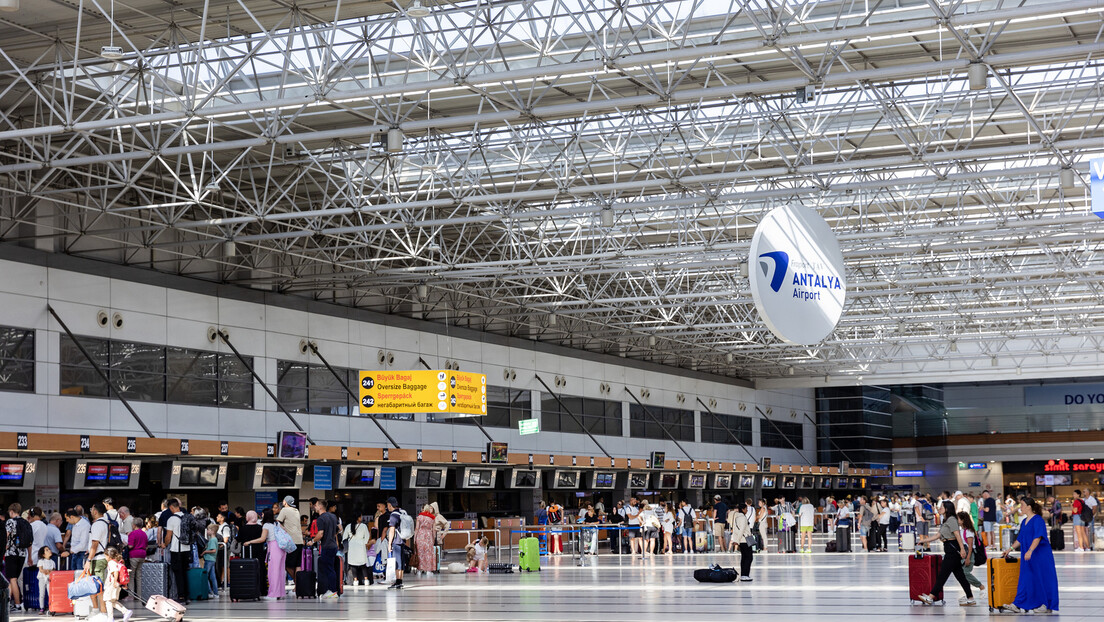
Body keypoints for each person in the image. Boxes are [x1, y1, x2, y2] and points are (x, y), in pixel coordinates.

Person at [1000, 497, 1059, 613]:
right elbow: (1020, 539)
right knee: (1025, 578)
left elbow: (1038, 537)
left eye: (1022, 505)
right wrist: (1010, 549)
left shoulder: (1038, 520)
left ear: (1029, 507)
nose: (1020, 507)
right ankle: (1017, 604)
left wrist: (1030, 550)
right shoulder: (1024, 521)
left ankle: (1045, 604)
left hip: (1040, 556)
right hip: (1028, 556)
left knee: (1041, 578)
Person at [916, 501, 975, 607]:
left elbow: (957, 535)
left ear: (947, 509)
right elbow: (938, 535)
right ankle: (970, 598)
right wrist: (923, 541)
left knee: (942, 575)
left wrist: (962, 549)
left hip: (952, 550)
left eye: (942, 507)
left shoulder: (952, 519)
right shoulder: (946, 520)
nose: (939, 508)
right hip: (950, 549)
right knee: (960, 576)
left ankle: (930, 597)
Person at [242, 509, 284, 600]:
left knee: (273, 571)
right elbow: (285, 532)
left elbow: (262, 539)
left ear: (265, 515)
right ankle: (280, 593)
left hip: (273, 547)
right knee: (280, 570)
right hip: (281, 548)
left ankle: (273, 594)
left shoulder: (266, 525)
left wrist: (250, 542)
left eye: (263, 514)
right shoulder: (277, 523)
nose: (261, 515)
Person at [311, 499, 340, 599]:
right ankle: (332, 590)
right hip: (333, 545)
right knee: (331, 568)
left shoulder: (320, 519)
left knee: (329, 569)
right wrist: (331, 535)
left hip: (326, 546)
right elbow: (339, 529)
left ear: (320, 506)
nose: (314, 507)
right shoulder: (333, 516)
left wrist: (313, 541)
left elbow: (320, 533)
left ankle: (332, 591)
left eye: (316, 505)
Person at [87, 503, 112, 615]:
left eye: (92, 510)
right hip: (99, 558)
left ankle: (102, 611)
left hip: (97, 559)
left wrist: (88, 560)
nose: (91, 511)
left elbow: (95, 544)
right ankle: (97, 610)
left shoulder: (97, 525)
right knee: (95, 584)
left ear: (95, 511)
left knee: (98, 585)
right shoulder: (105, 523)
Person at [6, 503, 30, 612]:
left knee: (12, 579)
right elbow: (30, 542)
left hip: (11, 553)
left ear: (11, 511)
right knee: (14, 579)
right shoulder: (26, 522)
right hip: (22, 554)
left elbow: (6, 536)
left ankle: (16, 604)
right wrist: (29, 557)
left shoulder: (10, 522)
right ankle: (11, 603)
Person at [101, 547, 132, 622]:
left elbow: (115, 572)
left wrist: (115, 582)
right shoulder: (117, 562)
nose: (105, 558)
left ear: (109, 556)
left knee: (108, 600)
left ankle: (110, 618)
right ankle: (125, 611)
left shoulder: (111, 563)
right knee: (112, 601)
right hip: (116, 585)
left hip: (112, 585)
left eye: (105, 556)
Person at [276, 496, 304, 578]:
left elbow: (278, 523)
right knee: (297, 564)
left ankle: (297, 583)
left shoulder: (284, 510)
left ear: (285, 502)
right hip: (299, 540)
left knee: (287, 565)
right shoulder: (296, 510)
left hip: (291, 541)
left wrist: (283, 528)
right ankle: (298, 585)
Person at [956, 512, 984, 590]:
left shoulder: (969, 531)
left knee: (965, 573)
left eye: (958, 518)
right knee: (962, 575)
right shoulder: (961, 530)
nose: (956, 520)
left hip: (970, 555)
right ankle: (968, 593)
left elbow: (970, 546)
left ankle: (980, 586)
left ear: (963, 520)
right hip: (964, 554)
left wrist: (968, 558)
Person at [727, 502, 754, 581]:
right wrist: (737, 540)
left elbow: (735, 530)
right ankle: (745, 575)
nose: (747, 510)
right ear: (743, 509)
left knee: (744, 558)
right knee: (749, 557)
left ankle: (743, 574)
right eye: (746, 509)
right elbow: (742, 530)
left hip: (741, 540)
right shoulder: (742, 517)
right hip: (745, 540)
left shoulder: (736, 517)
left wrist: (736, 540)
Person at [343, 514, 372, 586]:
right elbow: (367, 536)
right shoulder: (363, 526)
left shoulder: (348, 526)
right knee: (363, 564)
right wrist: (364, 542)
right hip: (361, 545)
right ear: (358, 517)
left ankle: (355, 580)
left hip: (352, 546)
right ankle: (366, 580)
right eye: (361, 516)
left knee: (353, 564)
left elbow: (344, 537)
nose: (361, 518)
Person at [385, 497, 407, 590]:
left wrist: (389, 543)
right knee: (401, 561)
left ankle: (398, 582)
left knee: (397, 562)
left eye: (388, 505)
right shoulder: (402, 512)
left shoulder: (393, 515)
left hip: (396, 541)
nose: (387, 507)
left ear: (390, 505)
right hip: (402, 540)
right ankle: (400, 581)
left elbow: (392, 530)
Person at [126, 514, 148, 600]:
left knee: (131, 576)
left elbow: (130, 546)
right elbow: (146, 546)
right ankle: (139, 595)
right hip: (142, 555)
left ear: (134, 525)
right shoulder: (144, 534)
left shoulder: (133, 533)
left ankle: (131, 595)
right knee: (139, 576)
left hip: (134, 555)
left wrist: (126, 544)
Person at [414, 505, 437, 573]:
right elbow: (434, 530)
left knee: (420, 552)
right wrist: (433, 538)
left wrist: (415, 538)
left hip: (420, 535)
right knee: (428, 553)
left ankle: (420, 569)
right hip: (428, 536)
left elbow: (417, 528)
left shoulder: (419, 517)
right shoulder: (432, 518)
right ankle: (429, 570)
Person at [201, 524, 219, 599]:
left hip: (209, 559)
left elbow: (213, 550)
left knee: (205, 576)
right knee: (213, 577)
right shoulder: (215, 539)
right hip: (213, 560)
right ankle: (216, 592)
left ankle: (209, 591)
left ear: (212, 531)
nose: (207, 531)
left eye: (208, 530)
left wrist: (205, 552)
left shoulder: (212, 540)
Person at [35, 546, 54, 614]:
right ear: (43, 554)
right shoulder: (41, 561)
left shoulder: (52, 562)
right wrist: (46, 571)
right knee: (42, 593)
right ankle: (41, 607)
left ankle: (51, 607)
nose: (49, 551)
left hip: (49, 579)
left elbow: (53, 570)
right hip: (42, 578)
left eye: (49, 549)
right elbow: (41, 569)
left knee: (50, 593)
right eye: (47, 550)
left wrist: (48, 571)